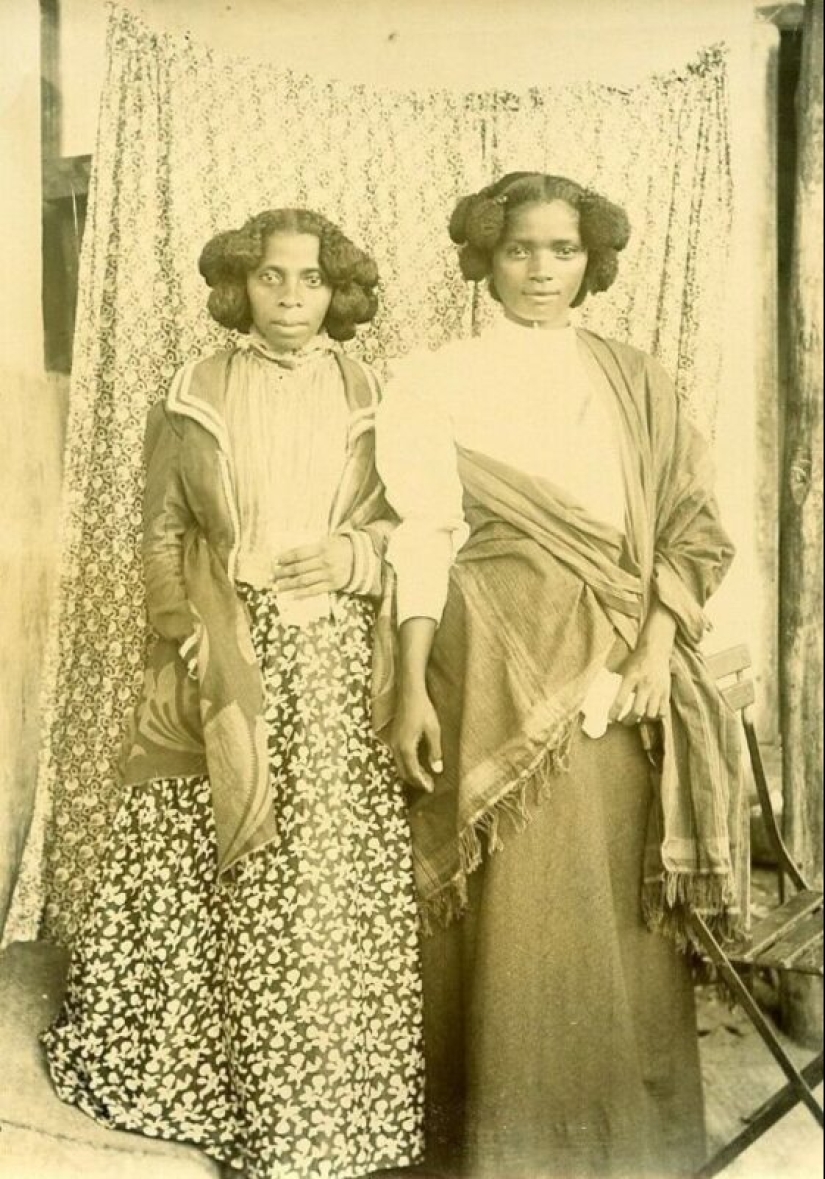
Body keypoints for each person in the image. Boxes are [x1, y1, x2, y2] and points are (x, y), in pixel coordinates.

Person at [375, 172, 745, 1179]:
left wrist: (655, 652)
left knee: (609, 909)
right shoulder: (431, 377)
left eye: (564, 250)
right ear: (485, 259)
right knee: (512, 911)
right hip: (487, 660)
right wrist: (409, 683)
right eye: (522, 250)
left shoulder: (636, 378)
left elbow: (692, 528)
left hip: (622, 666)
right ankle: (498, 1150)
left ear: (594, 261)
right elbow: (425, 534)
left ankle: (625, 1150)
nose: (544, 270)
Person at [43, 208, 425, 1179]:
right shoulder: (196, 391)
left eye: (311, 279)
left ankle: (318, 1107)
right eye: (271, 278)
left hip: (334, 661)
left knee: (316, 880)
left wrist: (355, 558)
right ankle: (200, 1089)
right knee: (205, 865)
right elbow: (163, 531)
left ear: (339, 291)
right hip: (227, 652)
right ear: (240, 287)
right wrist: (189, 635)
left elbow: (406, 526)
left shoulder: (373, 393)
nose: (292, 296)